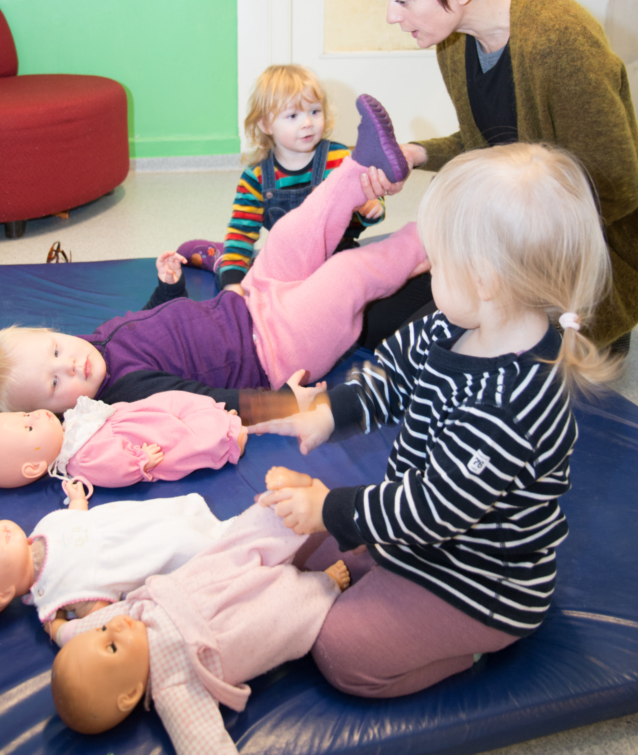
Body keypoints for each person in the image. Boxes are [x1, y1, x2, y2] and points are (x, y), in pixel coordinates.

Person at [251, 142, 619, 698]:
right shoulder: (449, 322)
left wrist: (329, 506)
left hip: (475, 581)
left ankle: (473, 649)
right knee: (292, 552)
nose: (425, 269)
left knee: (340, 651)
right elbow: (392, 376)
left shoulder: (512, 404)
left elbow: (433, 508)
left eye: (438, 261)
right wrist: (329, 415)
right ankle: (362, 563)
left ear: (487, 280)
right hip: (410, 534)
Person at [0, 95, 425, 418]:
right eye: (54, 384)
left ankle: (361, 166)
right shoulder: (123, 394)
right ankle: (434, 238)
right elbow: (205, 399)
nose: (69, 364)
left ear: (56, 333)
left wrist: (168, 287)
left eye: (54, 349)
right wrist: (283, 404)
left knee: (289, 234)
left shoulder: (96, 342)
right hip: (277, 351)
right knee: (345, 273)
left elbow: (153, 327)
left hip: (250, 299)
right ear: (55, 414)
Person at [354, 0, 638, 354]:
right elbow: (485, 142)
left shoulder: (561, 44)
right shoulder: (454, 38)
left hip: (572, 264)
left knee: (444, 360)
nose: (391, 15)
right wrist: (416, 154)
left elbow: (619, 187)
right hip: (503, 245)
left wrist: (494, 241)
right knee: (370, 324)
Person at [47, 503, 350, 749]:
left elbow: (83, 630)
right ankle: (322, 586)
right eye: (111, 646)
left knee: (238, 543)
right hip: (229, 626)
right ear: (130, 695)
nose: (114, 625)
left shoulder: (130, 618)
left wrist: (59, 628)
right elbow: (202, 743)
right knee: (278, 614)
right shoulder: (173, 690)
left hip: (202, 581)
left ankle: (286, 514)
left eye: (103, 631)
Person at [172, 64, 385, 292]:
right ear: (266, 125)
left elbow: (369, 199)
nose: (307, 123)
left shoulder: (340, 158)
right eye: (293, 115)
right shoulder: (257, 177)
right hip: (288, 261)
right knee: (255, 287)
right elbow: (242, 233)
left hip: (337, 258)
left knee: (366, 284)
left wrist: (372, 207)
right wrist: (233, 283)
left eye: (314, 111)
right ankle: (218, 258)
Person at [0, 482, 233, 624]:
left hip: (133, 521)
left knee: (172, 517)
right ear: (2, 595)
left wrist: (77, 500)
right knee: (181, 541)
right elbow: (99, 614)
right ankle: (227, 541)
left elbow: (72, 520)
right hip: (141, 551)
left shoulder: (41, 529)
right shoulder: (56, 594)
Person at [0, 389, 247, 491]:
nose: (38, 416)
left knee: (177, 404)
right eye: (30, 428)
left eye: (27, 414)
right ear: (34, 466)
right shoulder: (80, 461)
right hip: (147, 441)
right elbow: (115, 470)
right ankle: (228, 437)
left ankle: (214, 414)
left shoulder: (68, 427)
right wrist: (140, 462)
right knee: (181, 441)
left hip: (144, 415)